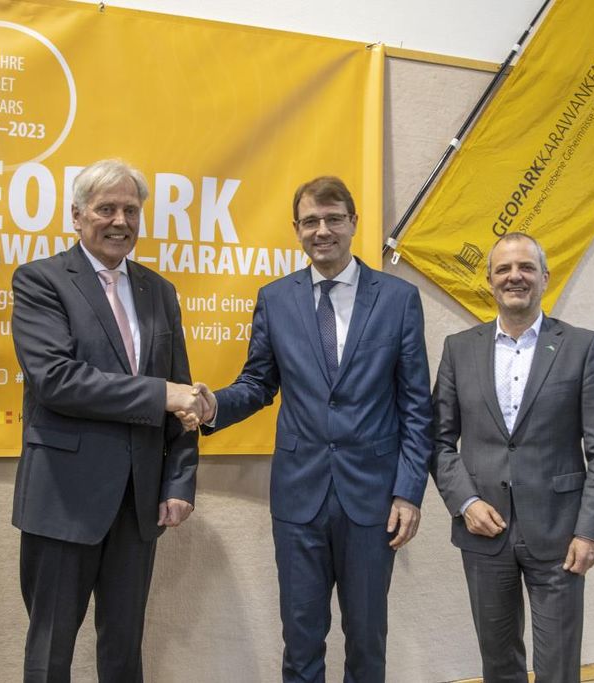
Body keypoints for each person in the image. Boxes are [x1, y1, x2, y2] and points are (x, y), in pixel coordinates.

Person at [196, 176, 432, 682]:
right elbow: (258, 383)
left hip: (372, 500)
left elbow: (416, 406)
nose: (322, 230)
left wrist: (409, 491)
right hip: (299, 498)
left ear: (353, 223)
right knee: (301, 641)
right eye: (310, 222)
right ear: (297, 229)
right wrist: (214, 405)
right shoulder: (276, 299)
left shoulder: (397, 299)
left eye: (333, 219)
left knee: (367, 640)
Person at [10, 158, 201, 682]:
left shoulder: (159, 290)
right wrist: (160, 394)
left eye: (130, 210)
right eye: (106, 209)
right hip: (63, 500)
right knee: (50, 654)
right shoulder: (41, 281)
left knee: (124, 651)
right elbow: (57, 381)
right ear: (77, 216)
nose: (120, 221)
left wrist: (179, 481)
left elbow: (181, 397)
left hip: (138, 505)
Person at [431, 232, 594, 682]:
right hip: (483, 531)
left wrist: (590, 531)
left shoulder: (581, 346)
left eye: (526, 268)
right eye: (503, 269)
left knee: (558, 666)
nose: (514, 277)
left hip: (560, 534)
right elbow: (438, 440)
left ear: (545, 277)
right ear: (490, 280)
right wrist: (465, 502)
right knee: (498, 664)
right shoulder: (459, 349)